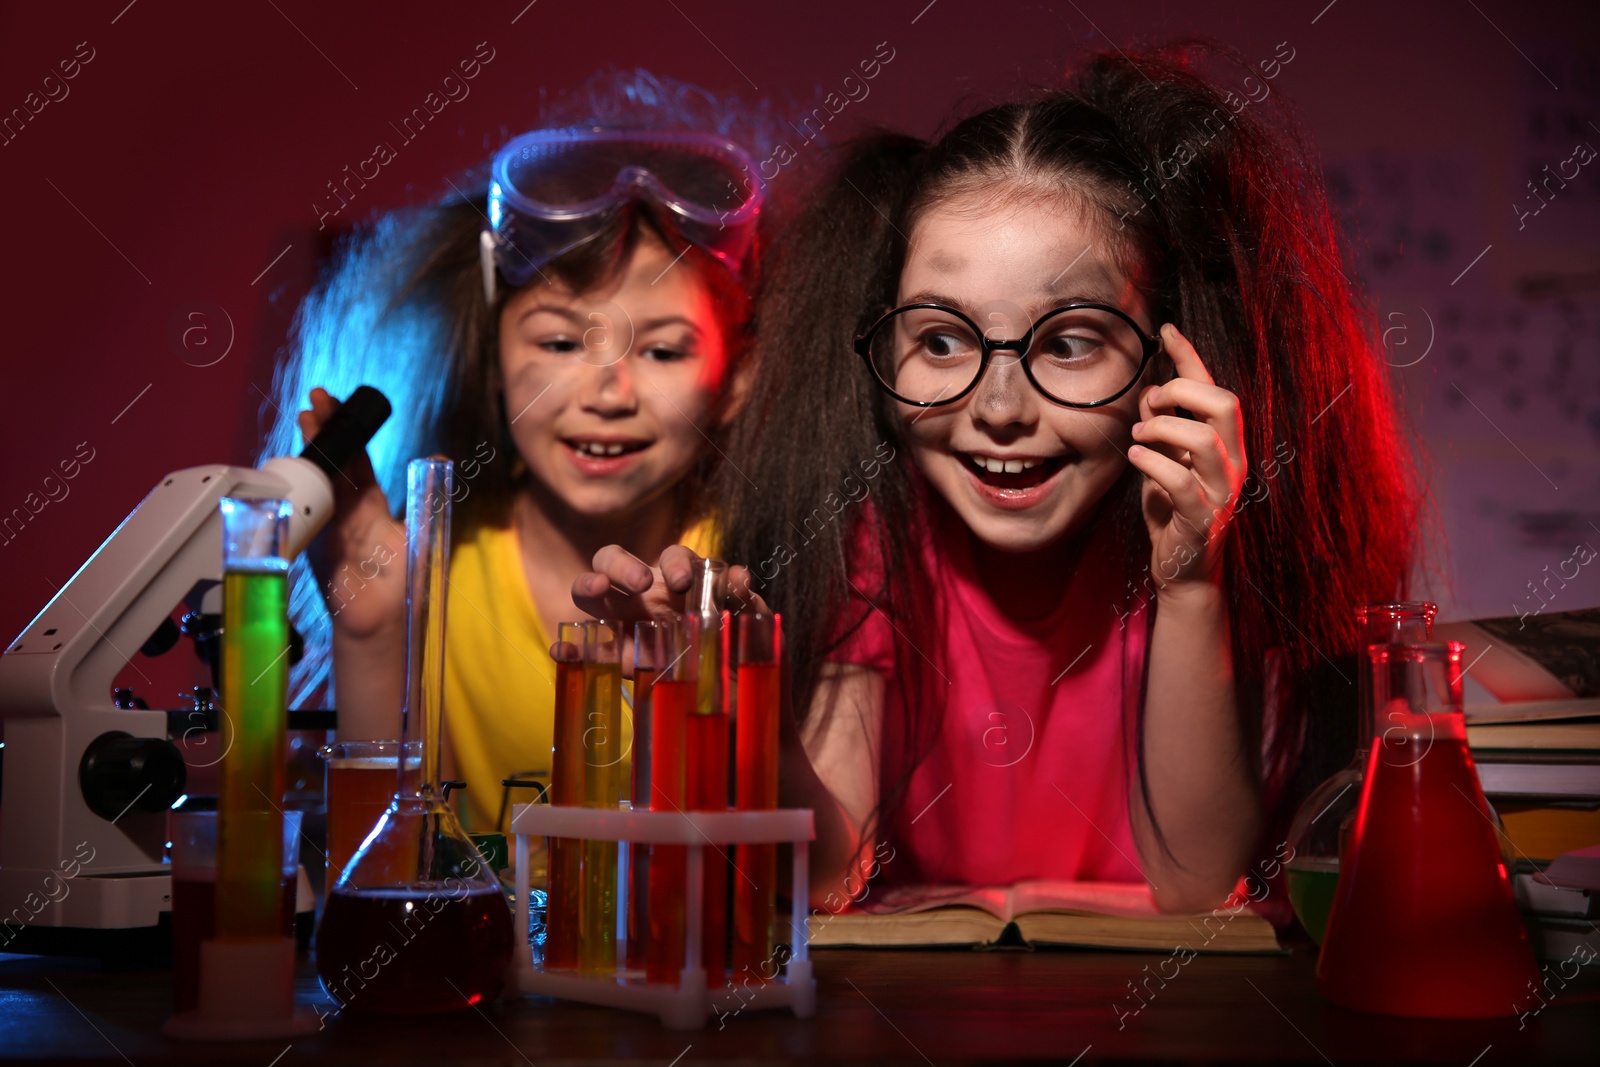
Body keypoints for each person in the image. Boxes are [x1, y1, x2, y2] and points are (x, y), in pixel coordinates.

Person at [583, 44, 1418, 913]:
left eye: (1069, 341)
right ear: (884, 350)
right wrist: (738, 693)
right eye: (942, 341)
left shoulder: (1217, 543)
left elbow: (1197, 884)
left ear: (1169, 361)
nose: (1001, 406)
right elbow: (831, 876)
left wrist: (1189, 577)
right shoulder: (874, 543)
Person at [262, 71, 773, 831]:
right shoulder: (428, 573)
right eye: (563, 341)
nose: (608, 392)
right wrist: (370, 635)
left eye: (663, 351)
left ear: (735, 379)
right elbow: (385, 865)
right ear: (493, 359)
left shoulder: (746, 580)